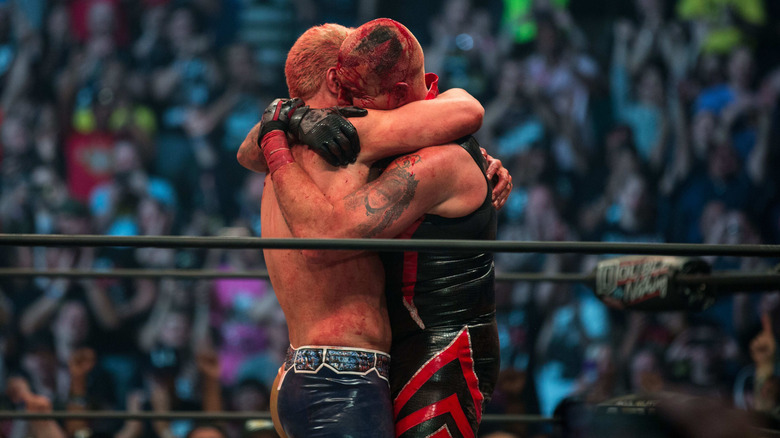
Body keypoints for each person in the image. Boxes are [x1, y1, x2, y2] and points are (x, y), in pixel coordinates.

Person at [239, 23, 505, 438]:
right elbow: (465, 110)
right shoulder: (351, 136)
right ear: (335, 78)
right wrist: (284, 123)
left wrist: (281, 121)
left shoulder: (284, 151)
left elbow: (465, 111)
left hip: (313, 369)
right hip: (344, 376)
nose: (359, 101)